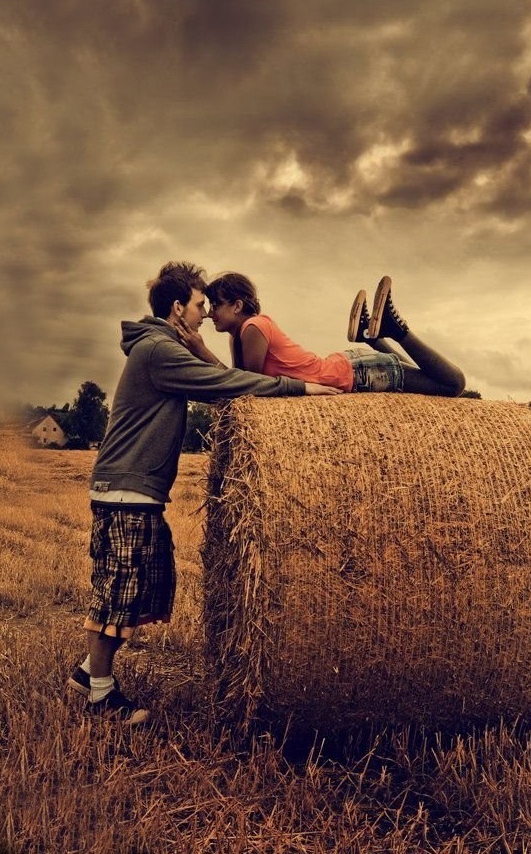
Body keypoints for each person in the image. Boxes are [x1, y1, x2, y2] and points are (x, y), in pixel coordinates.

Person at [67, 262, 340, 726]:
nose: (204, 313)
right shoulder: (158, 350)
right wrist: (300, 389)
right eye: (199, 305)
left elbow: (217, 380)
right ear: (178, 307)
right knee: (118, 593)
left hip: (138, 490)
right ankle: (100, 696)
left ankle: (89, 673)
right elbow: (226, 385)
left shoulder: (162, 347)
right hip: (125, 491)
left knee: (140, 588)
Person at [178, 273, 466, 397]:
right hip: (349, 368)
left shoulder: (253, 328)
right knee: (416, 377)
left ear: (237, 306)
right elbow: (237, 390)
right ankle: (370, 334)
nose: (209, 313)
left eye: (215, 306)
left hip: (355, 374)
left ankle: (393, 329)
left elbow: (248, 387)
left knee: (453, 384)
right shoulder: (240, 334)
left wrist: (201, 351)